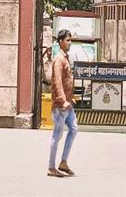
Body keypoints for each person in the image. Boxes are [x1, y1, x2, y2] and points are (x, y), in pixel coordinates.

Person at [48, 29, 78, 177]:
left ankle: (63, 162)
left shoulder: (65, 58)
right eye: (67, 40)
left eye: (70, 40)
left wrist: (70, 98)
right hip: (61, 106)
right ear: (60, 42)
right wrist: (62, 100)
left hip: (68, 104)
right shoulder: (59, 59)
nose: (70, 43)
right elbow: (57, 81)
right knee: (56, 135)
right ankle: (51, 167)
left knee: (73, 129)